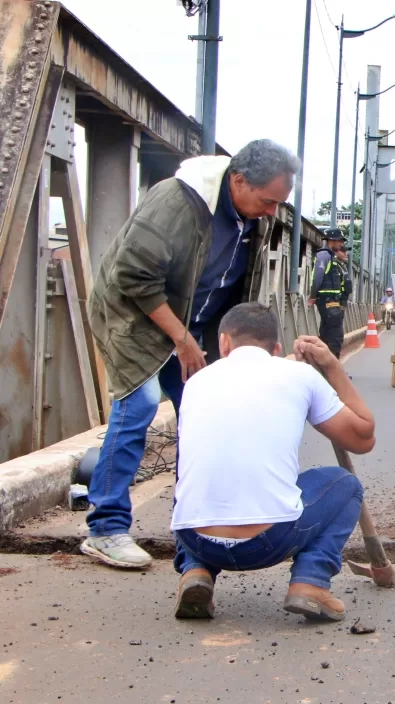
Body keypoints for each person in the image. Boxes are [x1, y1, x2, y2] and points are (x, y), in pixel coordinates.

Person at [81, 139, 298, 570]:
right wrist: (181, 338)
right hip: (136, 317)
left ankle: (194, 527)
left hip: (193, 325)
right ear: (238, 181)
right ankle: (105, 528)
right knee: (137, 405)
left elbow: (238, 284)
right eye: (268, 200)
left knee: (201, 413)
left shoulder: (255, 214)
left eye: (279, 204)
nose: (272, 212)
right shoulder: (178, 201)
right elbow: (132, 276)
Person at [170, 303, 376, 621]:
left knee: (194, 473)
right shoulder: (299, 374)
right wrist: (332, 366)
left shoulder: (196, 383)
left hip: (195, 540)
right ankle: (311, 583)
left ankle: (195, 572)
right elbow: (363, 438)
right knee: (344, 485)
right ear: (276, 349)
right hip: (268, 542)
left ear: (224, 343)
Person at [310, 229, 350, 359]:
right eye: (340, 242)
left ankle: (325, 367)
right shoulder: (324, 255)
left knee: (327, 333)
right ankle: (333, 367)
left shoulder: (331, 257)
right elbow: (317, 277)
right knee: (335, 335)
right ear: (331, 241)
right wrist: (313, 295)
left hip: (331, 300)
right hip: (328, 300)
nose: (341, 245)